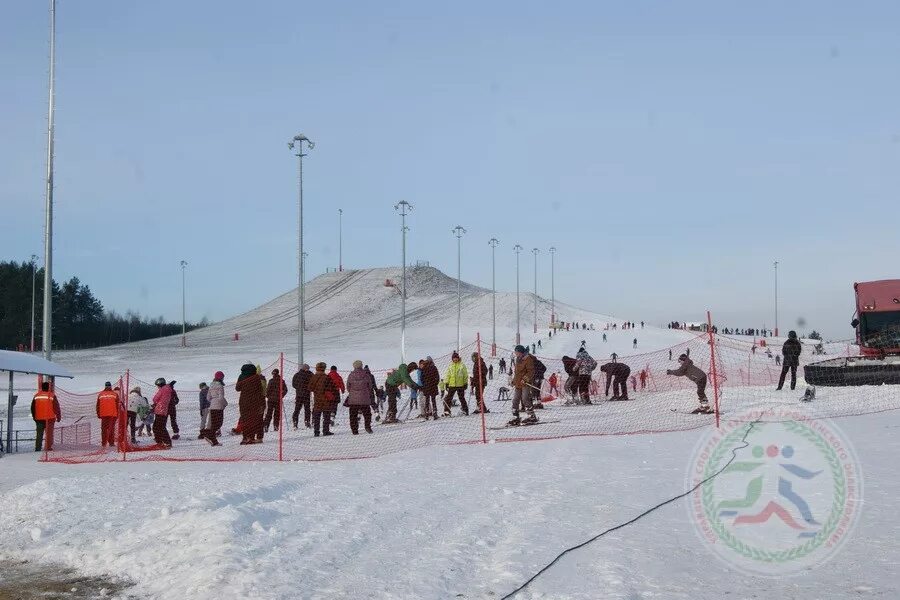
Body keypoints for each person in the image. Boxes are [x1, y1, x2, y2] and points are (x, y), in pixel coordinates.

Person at [235, 363, 266, 444]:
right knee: (253, 420)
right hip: (254, 402)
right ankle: (251, 438)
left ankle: (245, 438)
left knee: (244, 420)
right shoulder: (256, 378)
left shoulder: (241, 376)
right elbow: (260, 391)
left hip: (243, 402)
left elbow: (237, 388)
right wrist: (261, 403)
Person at [509, 345, 538, 426]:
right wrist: (514, 381)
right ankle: (516, 417)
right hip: (518, 383)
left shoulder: (528, 359)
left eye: (517, 352)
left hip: (525, 383)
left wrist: (525, 379)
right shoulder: (517, 359)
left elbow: (531, 371)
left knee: (525, 399)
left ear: (521, 352)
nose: (516, 354)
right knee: (515, 400)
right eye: (515, 352)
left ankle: (532, 416)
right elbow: (517, 373)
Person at [308, 362, 338, 436]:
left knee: (317, 416)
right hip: (326, 399)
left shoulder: (314, 377)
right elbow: (331, 388)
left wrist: (317, 390)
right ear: (324, 368)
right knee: (326, 416)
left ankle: (316, 431)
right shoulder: (326, 377)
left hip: (317, 399)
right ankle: (325, 431)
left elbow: (310, 388)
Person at [345, 360, 374, 434]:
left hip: (353, 399)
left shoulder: (351, 375)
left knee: (353, 415)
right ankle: (367, 427)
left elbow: (348, 386)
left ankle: (354, 430)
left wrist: (352, 392)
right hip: (364, 398)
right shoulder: (366, 375)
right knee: (367, 414)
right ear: (361, 365)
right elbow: (370, 386)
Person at [32, 381, 61, 452]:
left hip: (38, 418)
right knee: (49, 435)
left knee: (39, 435)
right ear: (48, 387)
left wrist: (34, 417)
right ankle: (48, 448)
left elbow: (32, 407)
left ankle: (37, 448)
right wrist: (58, 416)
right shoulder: (52, 396)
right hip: (50, 418)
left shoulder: (36, 396)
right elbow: (56, 407)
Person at [443, 352, 470, 416]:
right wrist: (446, 383)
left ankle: (465, 410)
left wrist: (465, 383)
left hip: (460, 385)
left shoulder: (462, 365)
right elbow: (448, 375)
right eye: (454, 358)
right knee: (449, 398)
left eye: (456, 358)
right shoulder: (450, 366)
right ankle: (447, 411)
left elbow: (465, 375)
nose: (455, 359)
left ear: (458, 358)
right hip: (452, 385)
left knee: (461, 398)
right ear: (452, 359)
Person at [96, 382, 119, 448]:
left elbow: (97, 405)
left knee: (104, 429)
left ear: (105, 386)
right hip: (112, 414)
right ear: (111, 386)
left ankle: (104, 443)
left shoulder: (100, 394)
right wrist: (117, 414)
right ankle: (111, 443)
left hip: (103, 414)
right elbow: (117, 405)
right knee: (111, 429)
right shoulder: (114, 394)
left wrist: (98, 414)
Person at [151, 377, 173, 447]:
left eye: (157, 386)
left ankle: (162, 441)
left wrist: (156, 403)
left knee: (158, 427)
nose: (157, 387)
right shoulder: (169, 389)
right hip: (164, 410)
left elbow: (155, 399)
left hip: (160, 410)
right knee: (160, 426)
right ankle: (163, 441)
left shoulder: (162, 390)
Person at [206, 371, 227, 440]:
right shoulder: (220, 386)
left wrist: (213, 401)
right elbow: (221, 398)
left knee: (213, 423)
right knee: (219, 423)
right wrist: (225, 403)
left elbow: (208, 398)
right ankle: (210, 436)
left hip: (212, 407)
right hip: (219, 407)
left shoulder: (211, 385)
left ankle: (213, 440)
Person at [292, 364, 312, 429]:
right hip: (306, 394)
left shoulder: (296, 375)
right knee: (307, 409)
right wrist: (309, 389)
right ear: (306, 368)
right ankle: (307, 421)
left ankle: (295, 422)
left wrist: (298, 388)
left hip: (299, 395)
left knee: (297, 409)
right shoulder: (310, 374)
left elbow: (293, 384)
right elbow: (313, 383)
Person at [420, 356, 440, 420]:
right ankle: (434, 413)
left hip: (427, 387)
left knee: (427, 400)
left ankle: (427, 413)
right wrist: (435, 383)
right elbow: (437, 377)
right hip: (433, 386)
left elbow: (421, 378)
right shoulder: (434, 367)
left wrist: (424, 384)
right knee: (433, 400)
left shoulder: (424, 368)